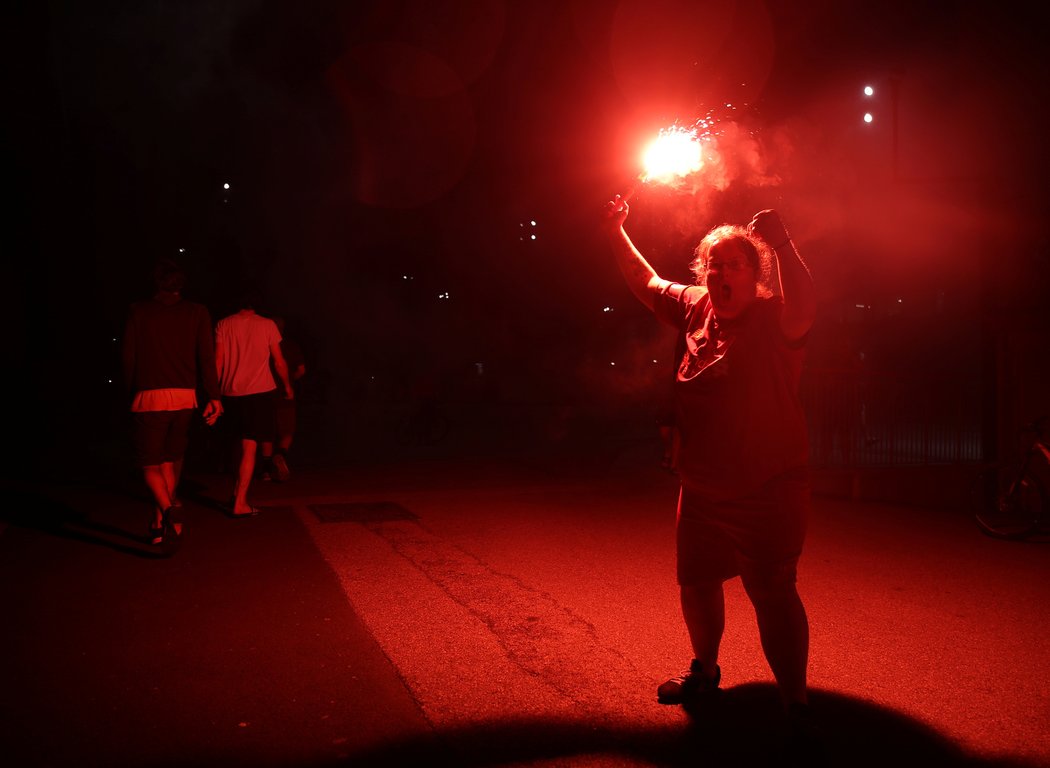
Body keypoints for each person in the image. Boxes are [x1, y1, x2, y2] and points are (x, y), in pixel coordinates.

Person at [601, 195, 821, 749]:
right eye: (714, 265)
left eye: (735, 264)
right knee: (696, 582)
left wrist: (783, 243)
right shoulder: (697, 307)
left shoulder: (774, 318)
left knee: (772, 590)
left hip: (769, 485)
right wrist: (613, 231)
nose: (722, 273)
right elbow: (646, 283)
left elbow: (807, 310)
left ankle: (794, 701)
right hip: (701, 486)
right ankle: (705, 670)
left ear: (756, 276)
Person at [122, 258, 223, 553]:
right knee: (170, 460)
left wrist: (131, 391)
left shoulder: (138, 311)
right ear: (182, 285)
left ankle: (168, 509)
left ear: (156, 282)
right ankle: (160, 526)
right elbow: (206, 357)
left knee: (149, 465)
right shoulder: (198, 312)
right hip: (185, 398)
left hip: (150, 397)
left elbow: (128, 357)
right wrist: (214, 396)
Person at [214, 287, 294, 517]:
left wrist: (214, 393)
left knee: (237, 445)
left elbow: (218, 361)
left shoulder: (223, 324)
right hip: (259, 392)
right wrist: (287, 385)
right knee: (250, 447)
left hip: (231, 391)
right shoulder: (267, 325)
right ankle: (240, 502)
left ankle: (235, 493)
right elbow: (279, 361)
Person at [260, 315, 305, 482]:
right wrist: (290, 379)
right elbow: (301, 370)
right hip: (286, 395)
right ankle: (280, 455)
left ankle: (265, 472)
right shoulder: (292, 346)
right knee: (287, 432)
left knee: (267, 434)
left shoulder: (263, 346)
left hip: (266, 394)